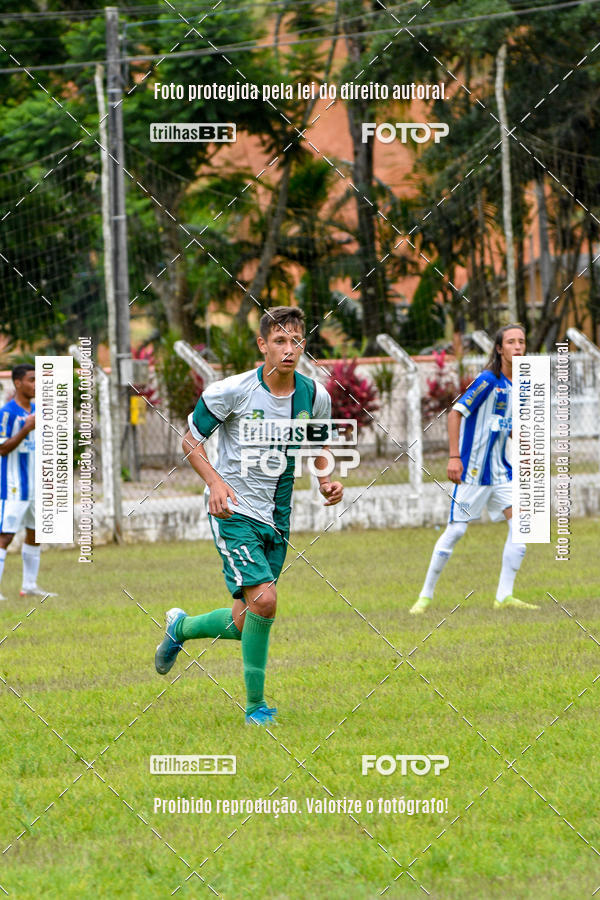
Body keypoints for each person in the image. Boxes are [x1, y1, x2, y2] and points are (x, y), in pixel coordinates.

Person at [155, 307, 344, 725]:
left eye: (296, 341)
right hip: (234, 511)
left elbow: (320, 446)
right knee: (266, 601)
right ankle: (256, 707)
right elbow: (190, 441)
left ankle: (180, 628)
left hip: (278, 518)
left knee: (247, 620)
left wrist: (327, 480)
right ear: (263, 345)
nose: (289, 349)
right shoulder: (232, 391)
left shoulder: (315, 396)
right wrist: (215, 483)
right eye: (279, 340)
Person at [410, 324, 539, 614]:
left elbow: (507, 424)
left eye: (521, 342)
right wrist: (454, 457)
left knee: (521, 529)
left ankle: (504, 596)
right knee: (456, 531)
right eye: (511, 342)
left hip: (501, 473)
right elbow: (455, 414)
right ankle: (425, 597)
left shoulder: (521, 385)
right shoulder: (487, 380)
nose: (518, 347)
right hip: (473, 473)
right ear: (499, 349)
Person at [0, 364, 57, 601]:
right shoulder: (7, 413)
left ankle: (29, 585)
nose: (36, 384)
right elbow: (2, 448)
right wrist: (26, 428)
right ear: (17, 383)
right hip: (14, 485)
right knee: (5, 536)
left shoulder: (37, 410)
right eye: (32, 380)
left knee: (36, 533)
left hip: (37, 485)